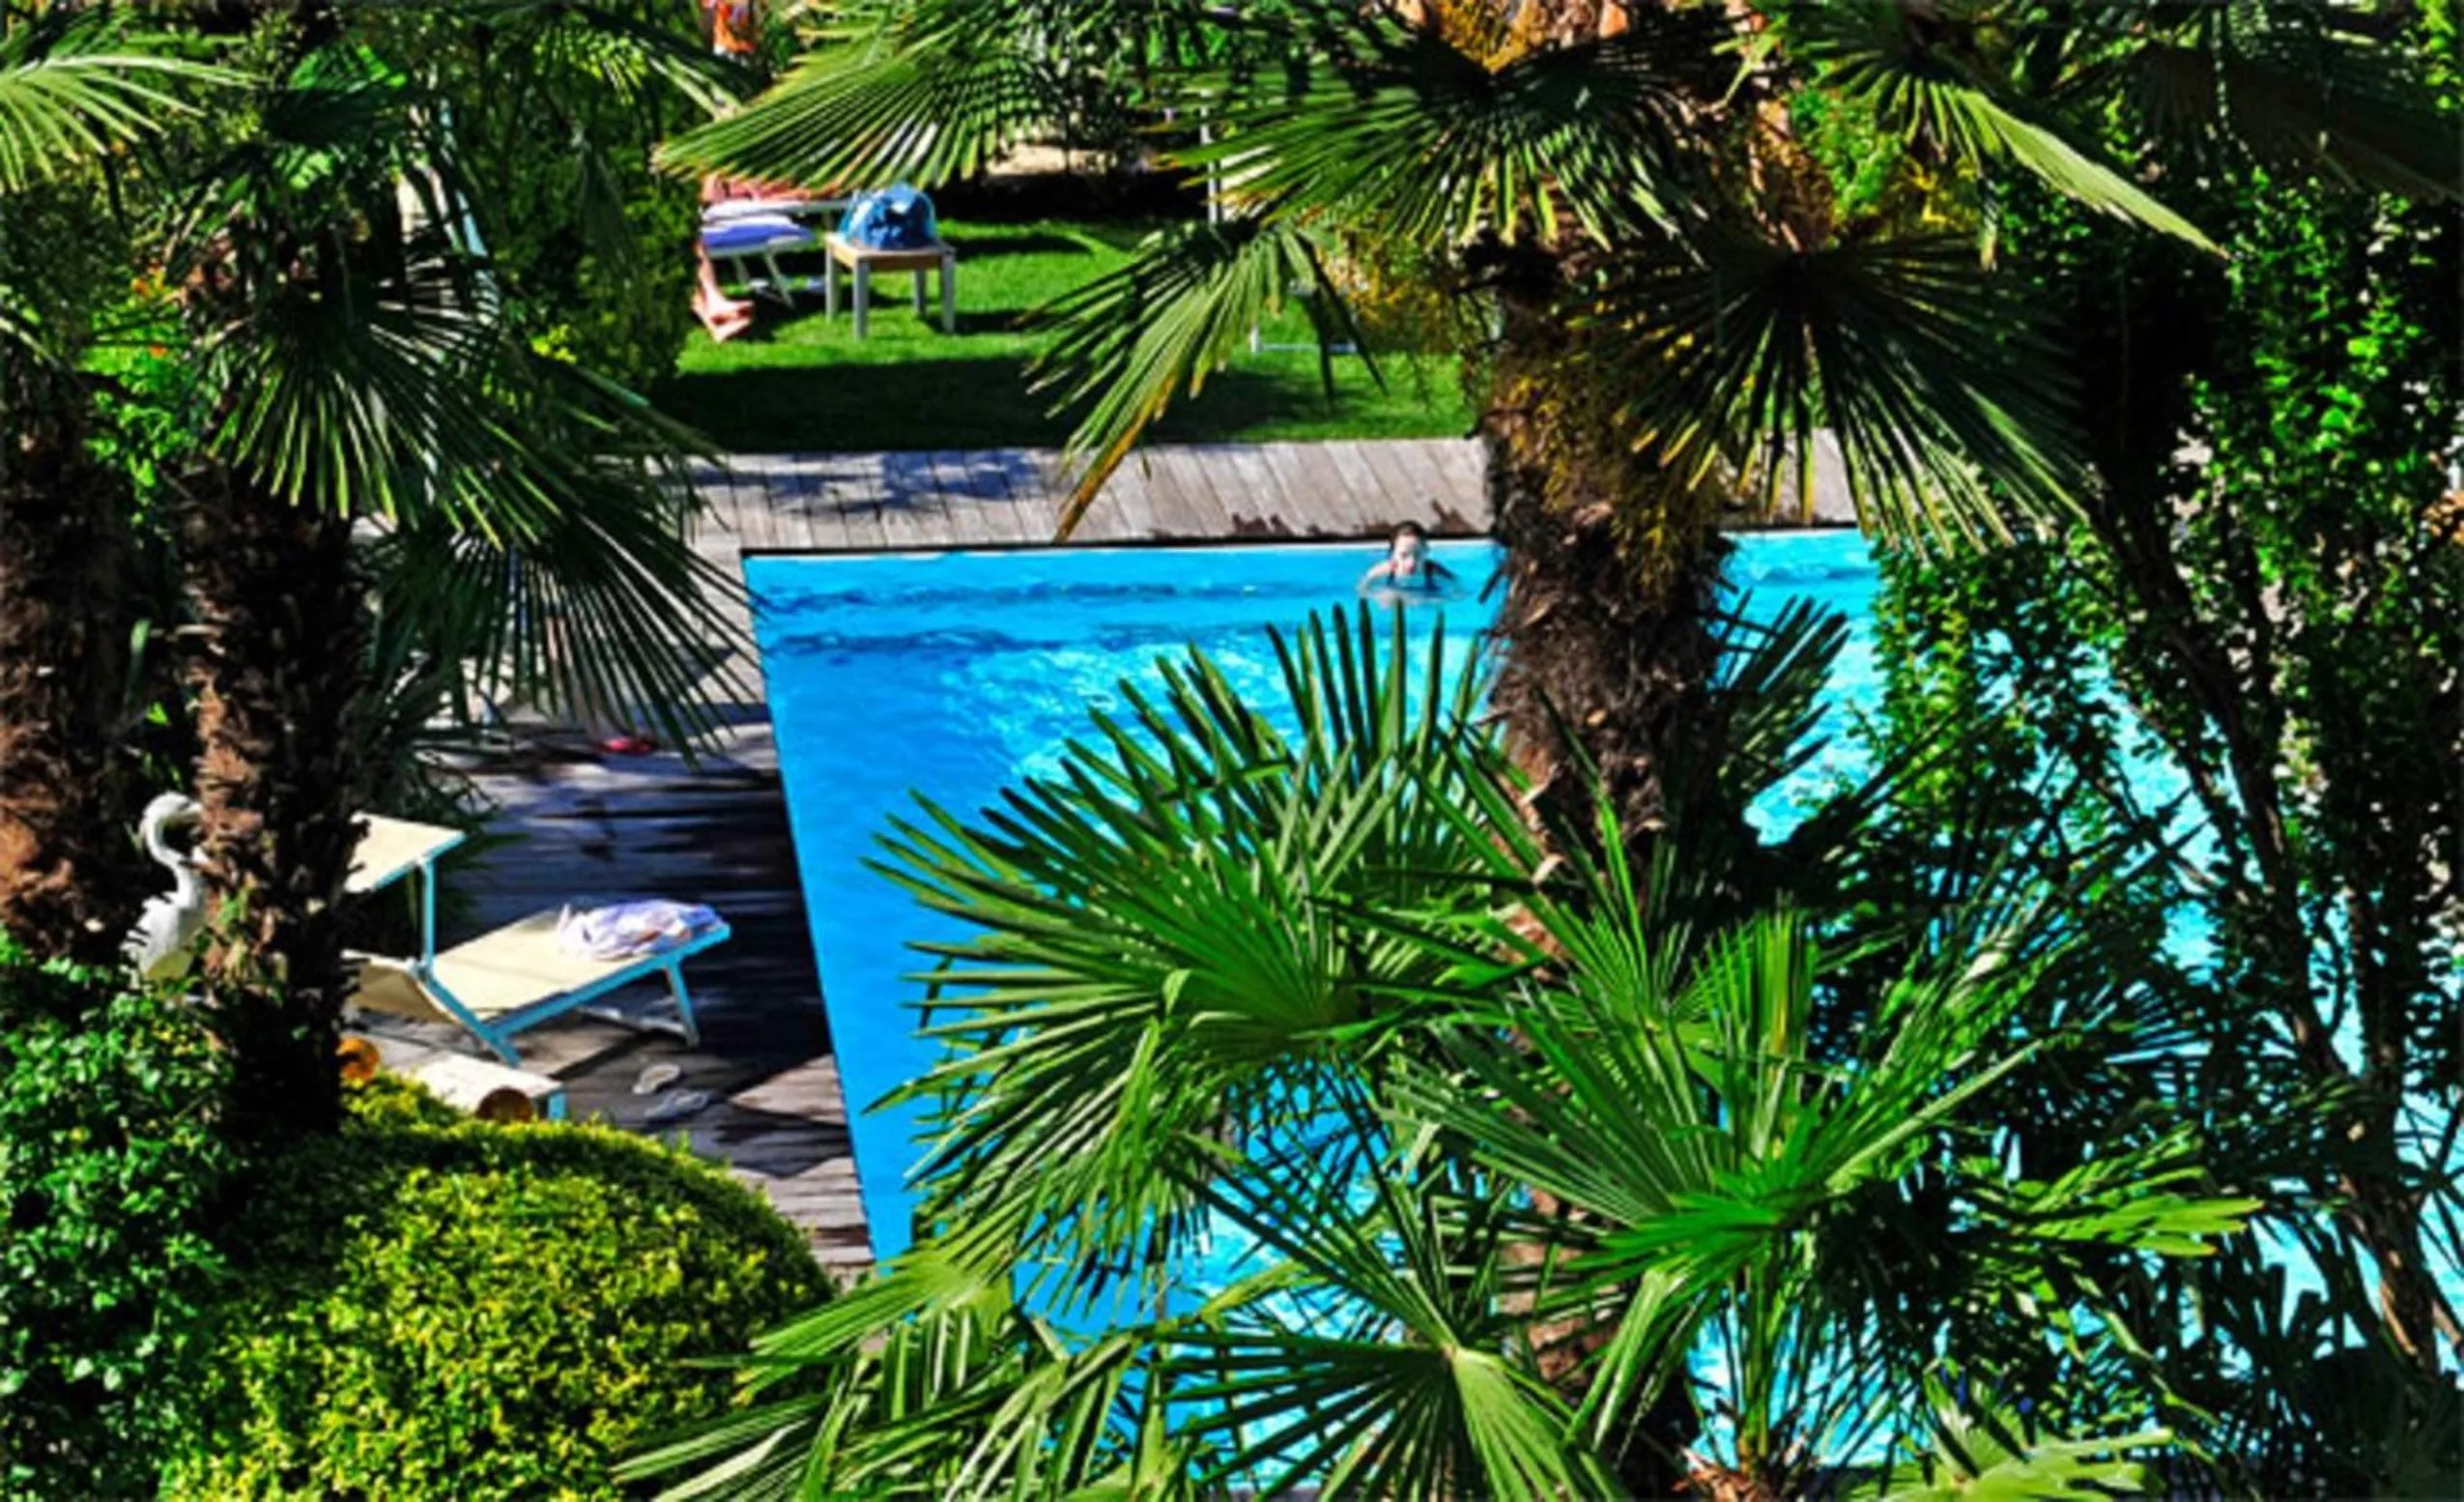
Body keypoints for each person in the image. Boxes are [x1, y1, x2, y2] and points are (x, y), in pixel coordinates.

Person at [1358, 520, 1458, 599]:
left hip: (1427, 596)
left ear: (1426, 551)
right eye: (1403, 555)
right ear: (1392, 555)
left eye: (1418, 555)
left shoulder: (1433, 570)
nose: (1411, 562)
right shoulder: (1385, 570)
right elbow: (1363, 588)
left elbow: (1458, 588)